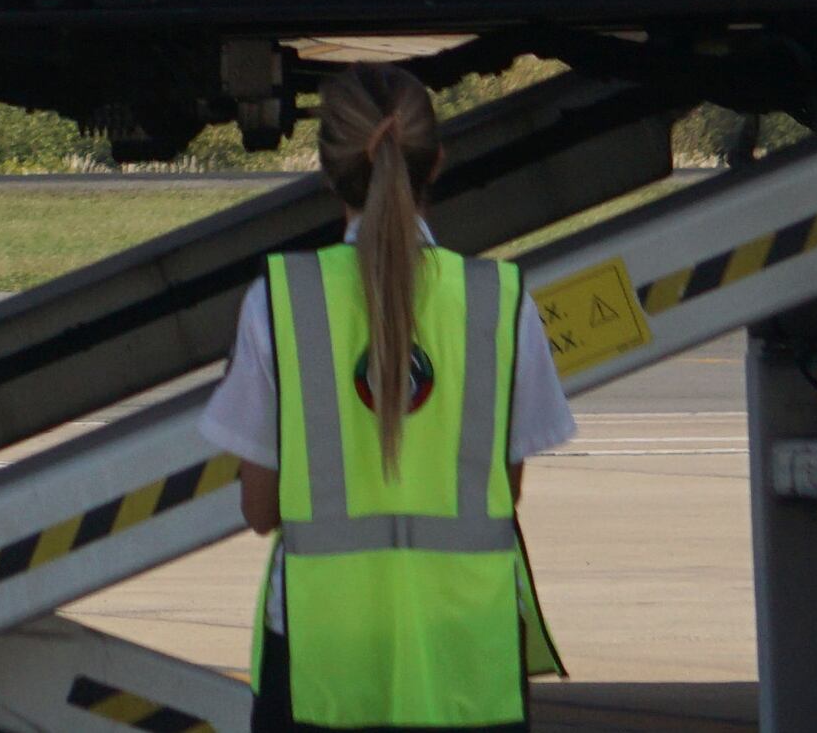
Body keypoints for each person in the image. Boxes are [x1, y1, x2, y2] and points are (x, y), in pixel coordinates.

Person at [200, 73, 568, 731]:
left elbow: (260, 509)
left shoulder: (282, 303)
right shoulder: (499, 301)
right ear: (438, 161)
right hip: (466, 655)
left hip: (325, 657)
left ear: (325, 170)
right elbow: (502, 490)